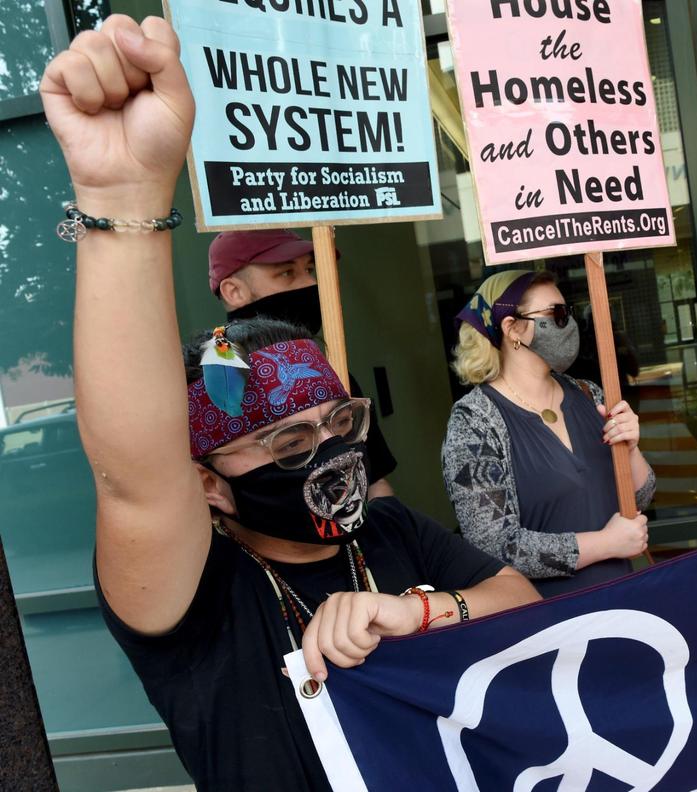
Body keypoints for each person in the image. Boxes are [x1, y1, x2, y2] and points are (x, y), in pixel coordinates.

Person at [39, 16, 539, 790]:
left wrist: (422, 610)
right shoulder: (198, 597)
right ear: (208, 482)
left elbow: (517, 595)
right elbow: (134, 475)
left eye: (338, 424)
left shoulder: (389, 531)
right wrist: (124, 195)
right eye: (284, 444)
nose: (329, 453)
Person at [442, 269, 656, 596]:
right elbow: (495, 545)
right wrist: (606, 544)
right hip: (550, 620)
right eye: (555, 314)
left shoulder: (589, 394)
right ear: (512, 329)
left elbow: (639, 497)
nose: (568, 323)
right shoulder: (474, 420)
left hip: (624, 598)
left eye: (567, 311)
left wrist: (630, 448)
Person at [208, 228, 398, 499]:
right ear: (234, 291)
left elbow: (375, 482)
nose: (309, 284)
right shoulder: (215, 390)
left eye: (310, 269)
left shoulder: (331, 371)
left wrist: (391, 533)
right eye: (287, 273)